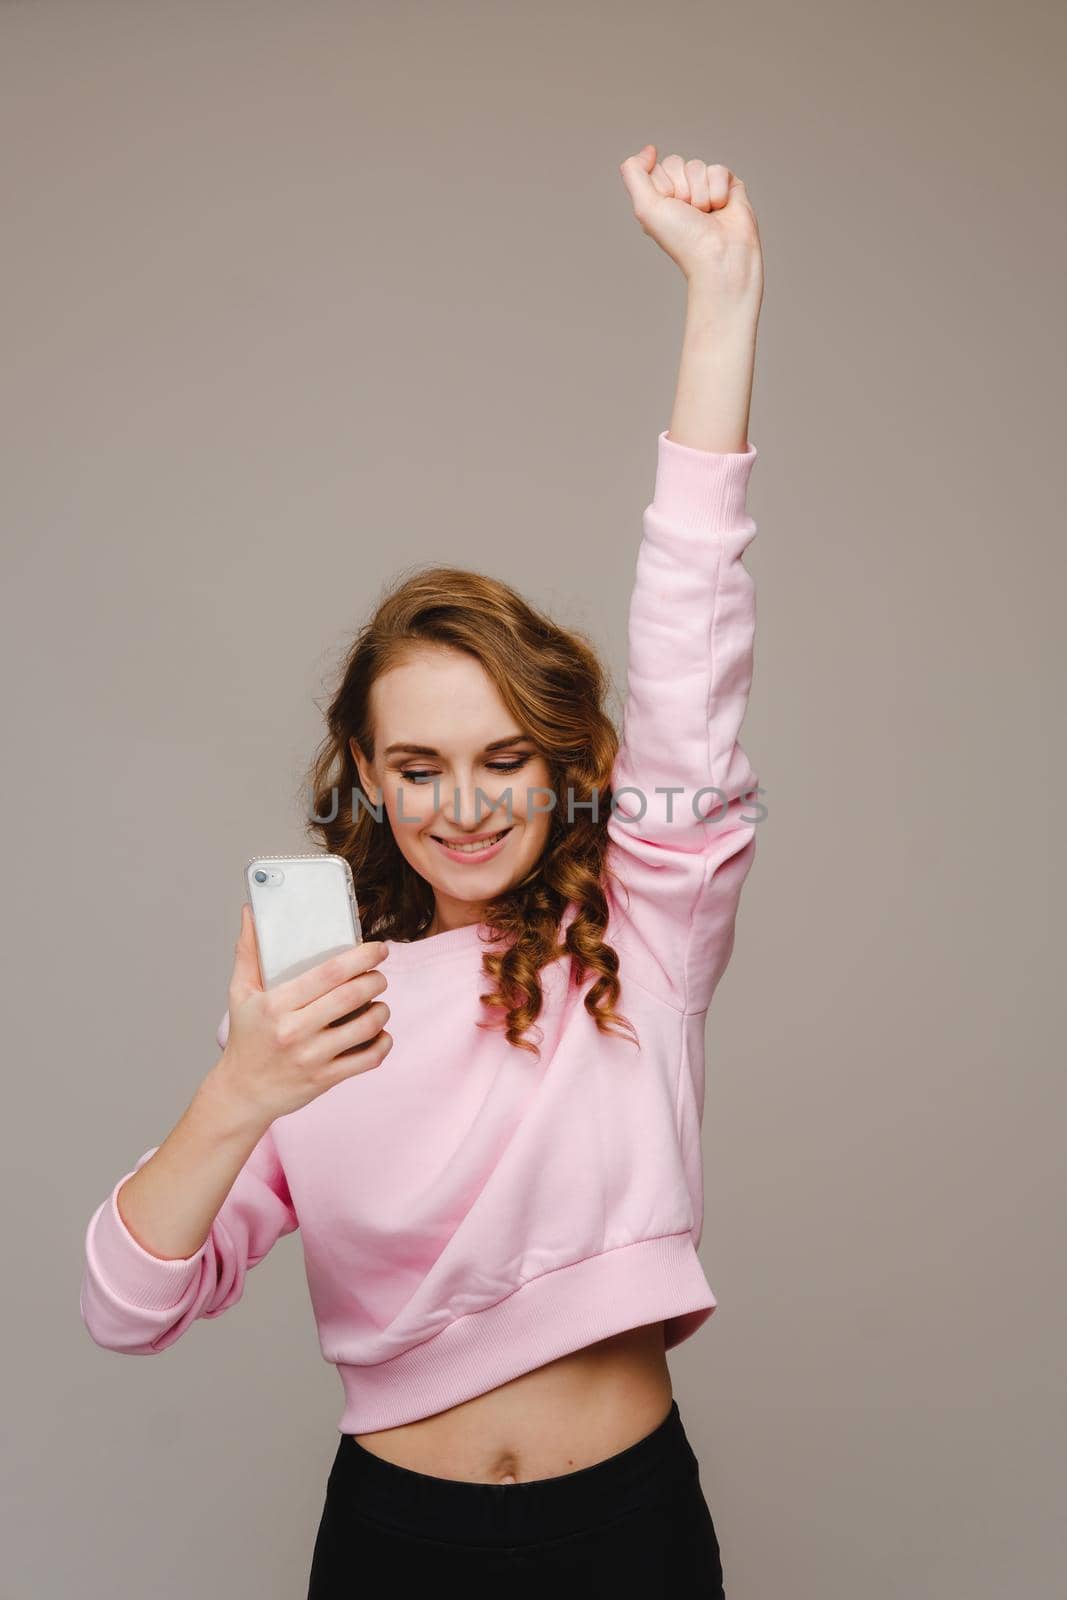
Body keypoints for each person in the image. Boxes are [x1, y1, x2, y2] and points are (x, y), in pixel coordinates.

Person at [80, 143, 765, 1596]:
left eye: (507, 758)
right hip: (397, 1544)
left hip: (625, 1534)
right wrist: (239, 1093)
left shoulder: (646, 917)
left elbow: (694, 630)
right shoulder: (323, 1013)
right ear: (367, 779)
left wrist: (722, 300)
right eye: (417, 767)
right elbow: (125, 1306)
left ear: (571, 766)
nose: (464, 804)